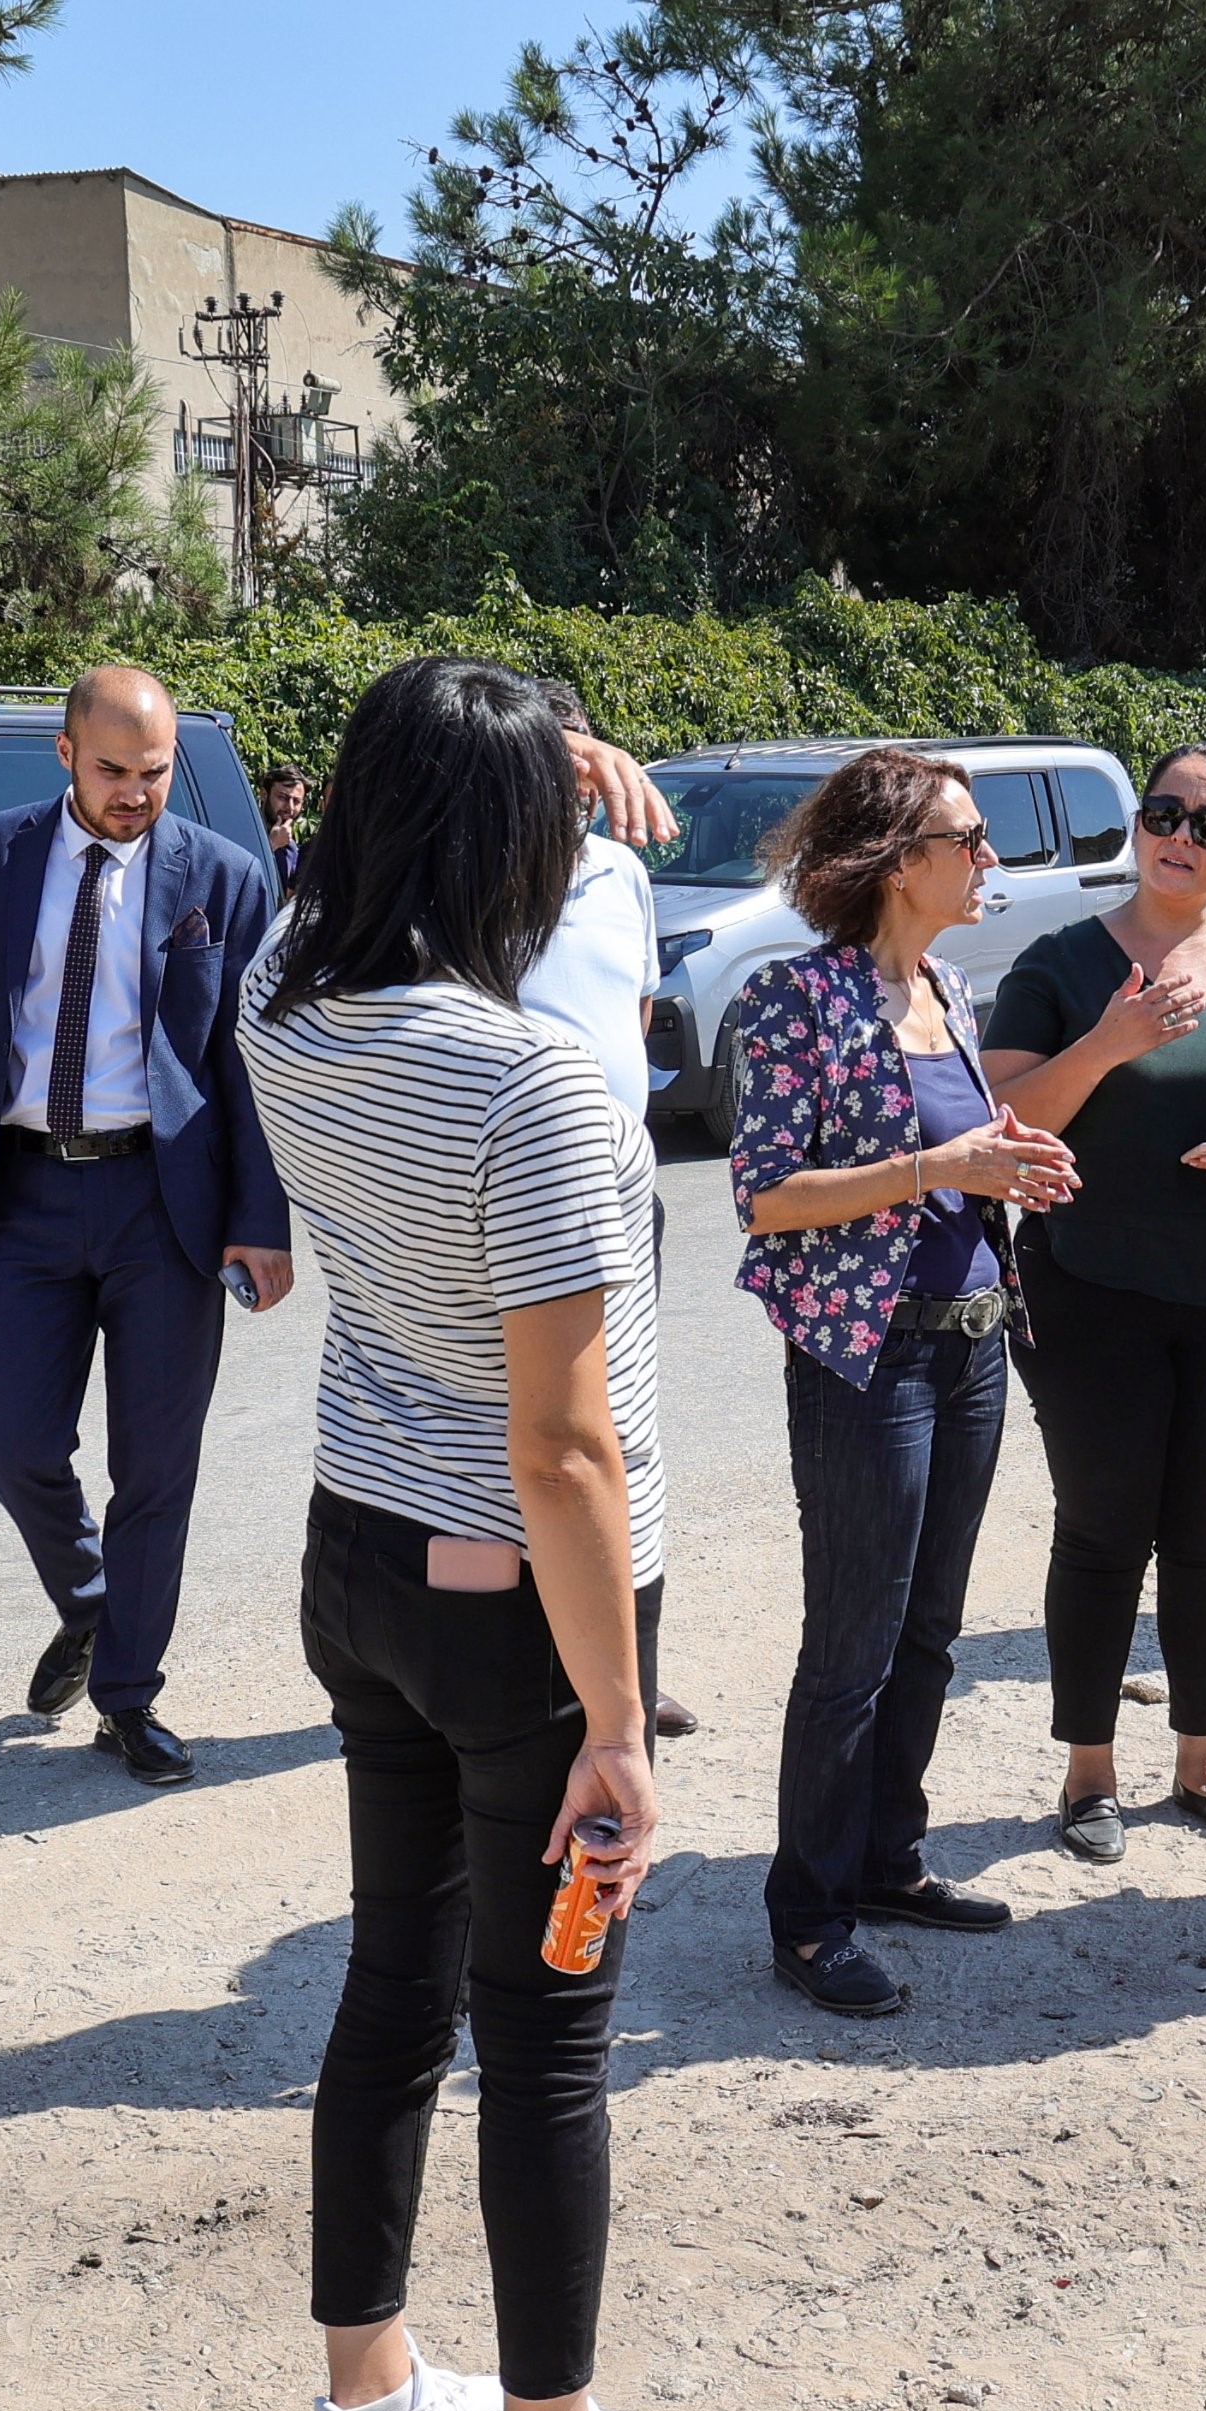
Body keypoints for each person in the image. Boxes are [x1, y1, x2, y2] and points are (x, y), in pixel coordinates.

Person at [239, 653, 724, 2411]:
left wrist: (501, 745)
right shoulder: (529, 1078)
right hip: (520, 1607)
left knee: (389, 1989)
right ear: (524, 844)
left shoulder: (288, 997)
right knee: (543, 2035)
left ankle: (368, 2405)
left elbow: (322, 863)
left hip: (361, 1555)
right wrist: (616, 1718)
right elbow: (566, 1451)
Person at [0, 669, 295, 1787]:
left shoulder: (223, 875)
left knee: (156, 1467)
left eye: (155, 772)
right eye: (113, 770)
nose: (135, 793)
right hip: (24, 1194)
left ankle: (127, 1695)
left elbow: (249, 1070)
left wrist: (262, 1224)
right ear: (64, 753)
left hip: (164, 1207)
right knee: (13, 1440)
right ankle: (90, 1602)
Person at [731, 750, 1081, 2018]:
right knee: (854, 1645)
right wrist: (943, 1163)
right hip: (864, 1354)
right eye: (969, 838)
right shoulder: (794, 999)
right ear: (891, 858)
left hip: (970, 1338)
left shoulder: (947, 985)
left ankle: (885, 1859)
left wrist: (1013, 1173)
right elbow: (768, 1197)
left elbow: (957, 1166)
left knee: (928, 1628)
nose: (990, 859)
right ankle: (809, 1914)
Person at [984, 745, 1206, 1861]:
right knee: (1102, 1531)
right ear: (1135, 829)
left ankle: (1203, 1765)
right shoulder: (1057, 962)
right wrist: (1113, 1039)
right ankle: (1088, 1775)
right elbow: (1002, 1114)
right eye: (1162, 814)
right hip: (1090, 1291)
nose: (1179, 836)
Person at [519, 680, 694, 1745]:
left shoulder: (622, 875)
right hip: (529, 1196)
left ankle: (628, 1671)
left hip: (623, 1190)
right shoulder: (475, 879)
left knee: (624, 1430)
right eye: (563, 771)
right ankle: (541, 1668)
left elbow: (629, 1018)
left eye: (592, 769)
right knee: (545, 1439)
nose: (586, 791)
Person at [261, 765, 313, 889]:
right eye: (282, 798)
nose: (289, 807)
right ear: (264, 794)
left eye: (296, 802)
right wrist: (272, 845)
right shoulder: (244, 828)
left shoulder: (291, 849)